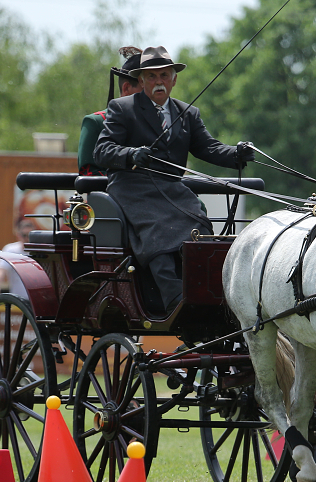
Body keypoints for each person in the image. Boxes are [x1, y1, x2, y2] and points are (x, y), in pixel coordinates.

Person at [93, 45, 254, 315]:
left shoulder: (188, 113)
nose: (159, 82)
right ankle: (176, 303)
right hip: (133, 189)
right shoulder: (121, 108)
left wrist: (237, 154)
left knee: (200, 226)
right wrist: (131, 154)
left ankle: (210, 296)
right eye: (152, 77)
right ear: (141, 79)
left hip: (171, 189)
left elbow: (208, 148)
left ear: (174, 79)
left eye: (164, 76)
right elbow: (102, 150)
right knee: (159, 232)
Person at [78, 46, 144, 177]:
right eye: (146, 91)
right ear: (126, 88)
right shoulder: (96, 122)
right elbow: (89, 175)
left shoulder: (159, 123)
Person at [0, 219, 35, 299]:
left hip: (37, 300)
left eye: (30, 235)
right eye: (24, 235)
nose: (27, 239)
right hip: (18, 300)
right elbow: (1, 272)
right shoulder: (11, 250)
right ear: (18, 235)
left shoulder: (41, 251)